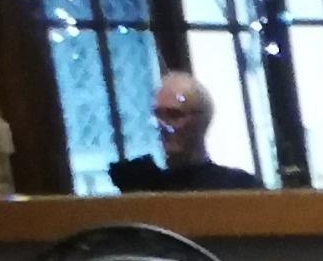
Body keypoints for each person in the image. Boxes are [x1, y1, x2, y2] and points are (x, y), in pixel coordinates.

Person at [108, 69, 261, 191]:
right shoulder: (145, 188)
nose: (162, 125)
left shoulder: (238, 186)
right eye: (158, 115)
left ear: (201, 121)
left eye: (174, 115)